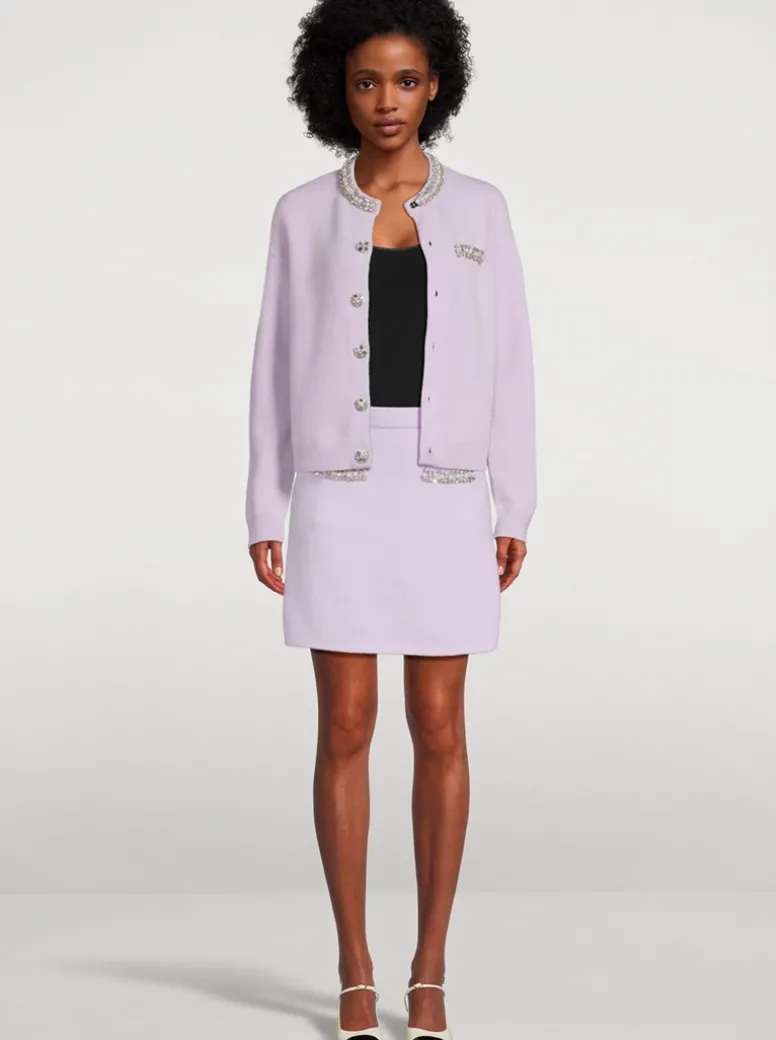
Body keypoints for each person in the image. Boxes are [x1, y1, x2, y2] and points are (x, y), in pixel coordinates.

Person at [245, 1, 537, 1036]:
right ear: (338, 87)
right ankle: (356, 965)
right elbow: (274, 361)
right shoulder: (299, 214)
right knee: (345, 726)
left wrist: (515, 497)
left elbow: (512, 359)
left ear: (436, 86)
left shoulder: (483, 210)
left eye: (406, 80)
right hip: (339, 487)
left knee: (441, 725)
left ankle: (431, 966)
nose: (386, 101)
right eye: (367, 80)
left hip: (449, 490)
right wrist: (265, 501)